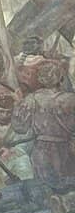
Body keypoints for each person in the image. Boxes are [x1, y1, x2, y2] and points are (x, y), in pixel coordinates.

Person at [12, 60, 75, 192]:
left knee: (46, 189)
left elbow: (19, 127)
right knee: (68, 188)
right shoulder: (71, 99)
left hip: (41, 152)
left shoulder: (32, 99)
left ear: (40, 79)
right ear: (61, 78)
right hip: (66, 150)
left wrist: (18, 104)